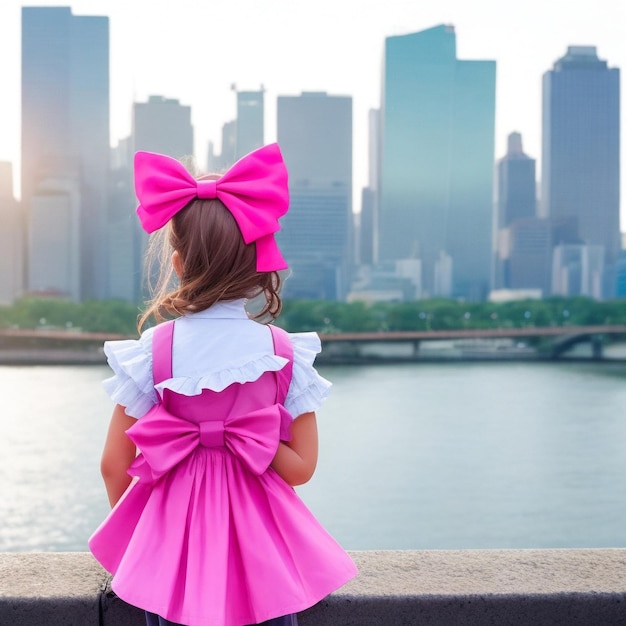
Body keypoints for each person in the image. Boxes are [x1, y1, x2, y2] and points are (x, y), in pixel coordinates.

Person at [89, 143, 358, 626]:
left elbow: (114, 466)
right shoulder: (285, 355)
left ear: (177, 264)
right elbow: (300, 469)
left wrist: (150, 540)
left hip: (174, 569)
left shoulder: (154, 353)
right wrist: (246, 436)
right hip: (264, 569)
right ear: (259, 266)